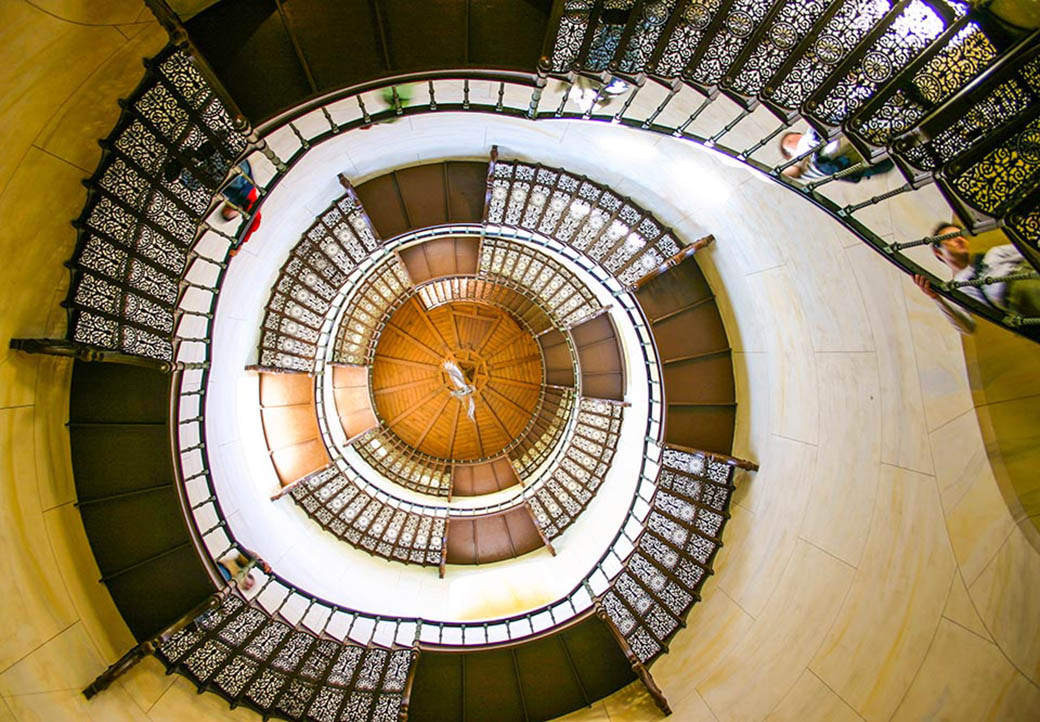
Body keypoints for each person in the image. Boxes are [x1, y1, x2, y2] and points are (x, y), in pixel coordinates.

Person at [913, 223, 1040, 334]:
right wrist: (937, 298)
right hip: (1020, 300)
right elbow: (967, 328)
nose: (960, 239)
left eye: (962, 235)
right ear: (939, 252)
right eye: (951, 238)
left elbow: (1031, 251)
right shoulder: (959, 289)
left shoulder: (993, 254)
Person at [780, 128, 894, 182]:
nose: (793, 142)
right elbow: (791, 172)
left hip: (829, 146)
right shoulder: (798, 161)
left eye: (791, 139)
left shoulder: (809, 136)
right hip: (825, 162)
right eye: (789, 144)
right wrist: (775, 174)